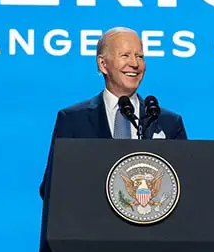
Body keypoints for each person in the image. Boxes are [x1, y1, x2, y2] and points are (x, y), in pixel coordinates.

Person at [38, 27, 187, 199]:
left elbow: (183, 186)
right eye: (125, 55)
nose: (135, 63)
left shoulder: (168, 122)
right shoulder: (73, 119)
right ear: (103, 64)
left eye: (140, 56)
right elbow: (52, 186)